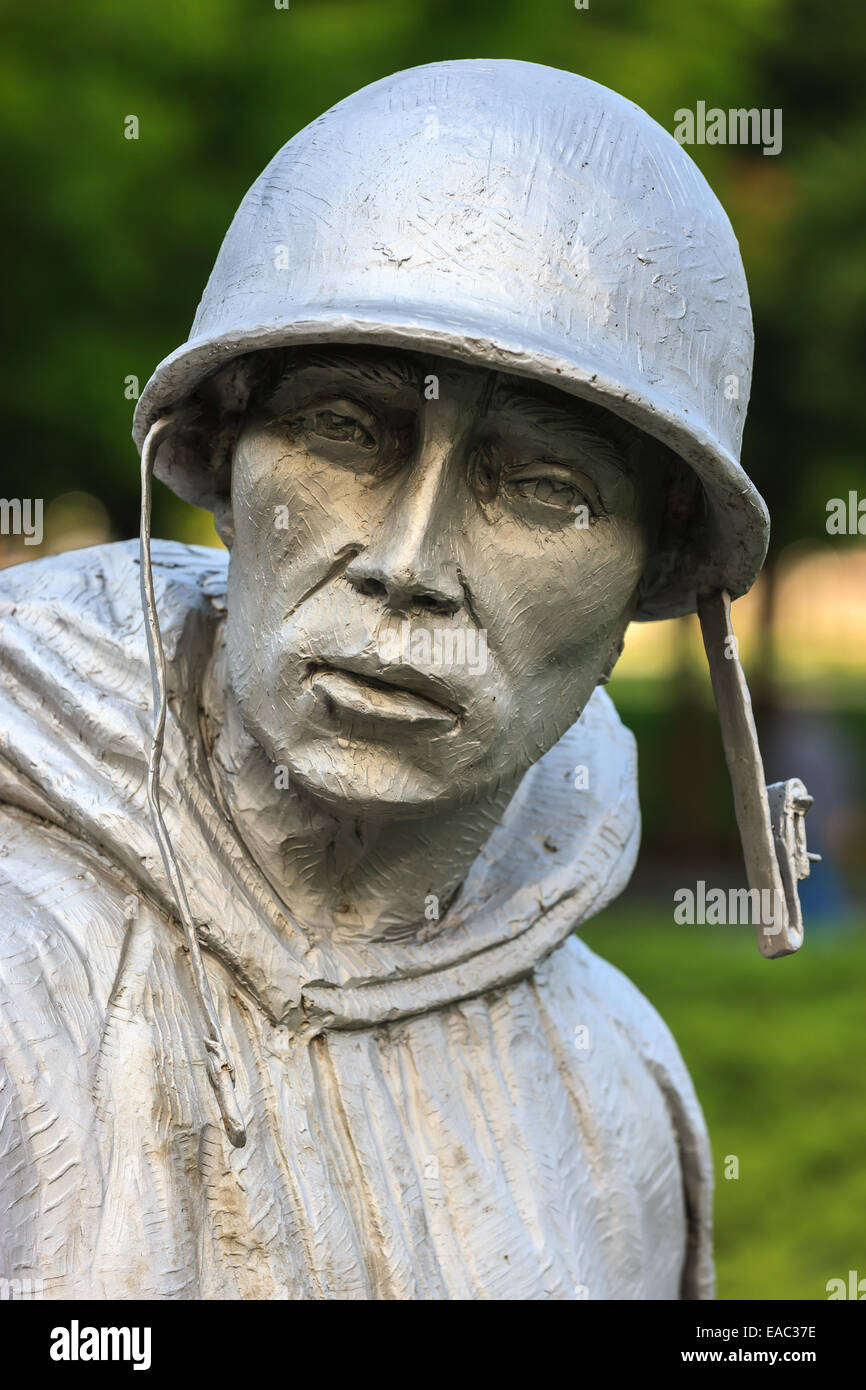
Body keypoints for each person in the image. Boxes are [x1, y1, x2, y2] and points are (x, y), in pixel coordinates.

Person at [0, 59, 772, 1299]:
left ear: (661, 572)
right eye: (345, 433)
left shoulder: (616, 1077)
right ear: (220, 455)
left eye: (540, 491)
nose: (406, 568)